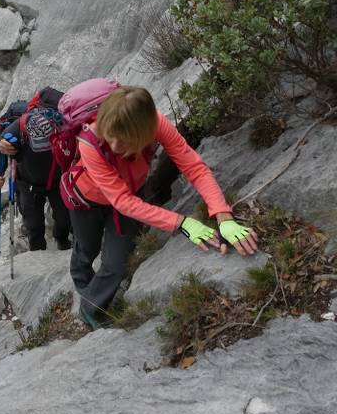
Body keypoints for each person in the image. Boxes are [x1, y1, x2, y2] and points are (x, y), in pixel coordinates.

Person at [67, 86, 258, 329]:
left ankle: (89, 306)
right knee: (86, 248)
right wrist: (182, 222)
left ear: (143, 133)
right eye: (110, 137)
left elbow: (193, 166)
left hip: (127, 196)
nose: (114, 147)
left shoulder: (154, 123)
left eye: (124, 142)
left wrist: (224, 216)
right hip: (85, 199)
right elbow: (122, 201)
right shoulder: (89, 142)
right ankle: (82, 283)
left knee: (116, 264)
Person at [0, 89, 71, 251]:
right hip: (29, 185)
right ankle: (37, 251)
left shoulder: (64, 123)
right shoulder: (19, 126)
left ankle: (62, 240)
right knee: (34, 226)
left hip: (55, 181)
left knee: (64, 219)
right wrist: (1, 147)